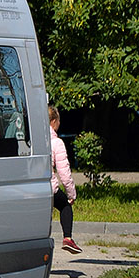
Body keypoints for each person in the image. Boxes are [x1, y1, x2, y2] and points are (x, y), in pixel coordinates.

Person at [49, 105, 81, 254]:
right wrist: (71, 194)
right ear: (53, 121)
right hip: (49, 187)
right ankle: (67, 238)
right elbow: (64, 174)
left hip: (28, 188)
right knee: (65, 206)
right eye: (58, 121)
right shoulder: (56, 142)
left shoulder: (32, 140)